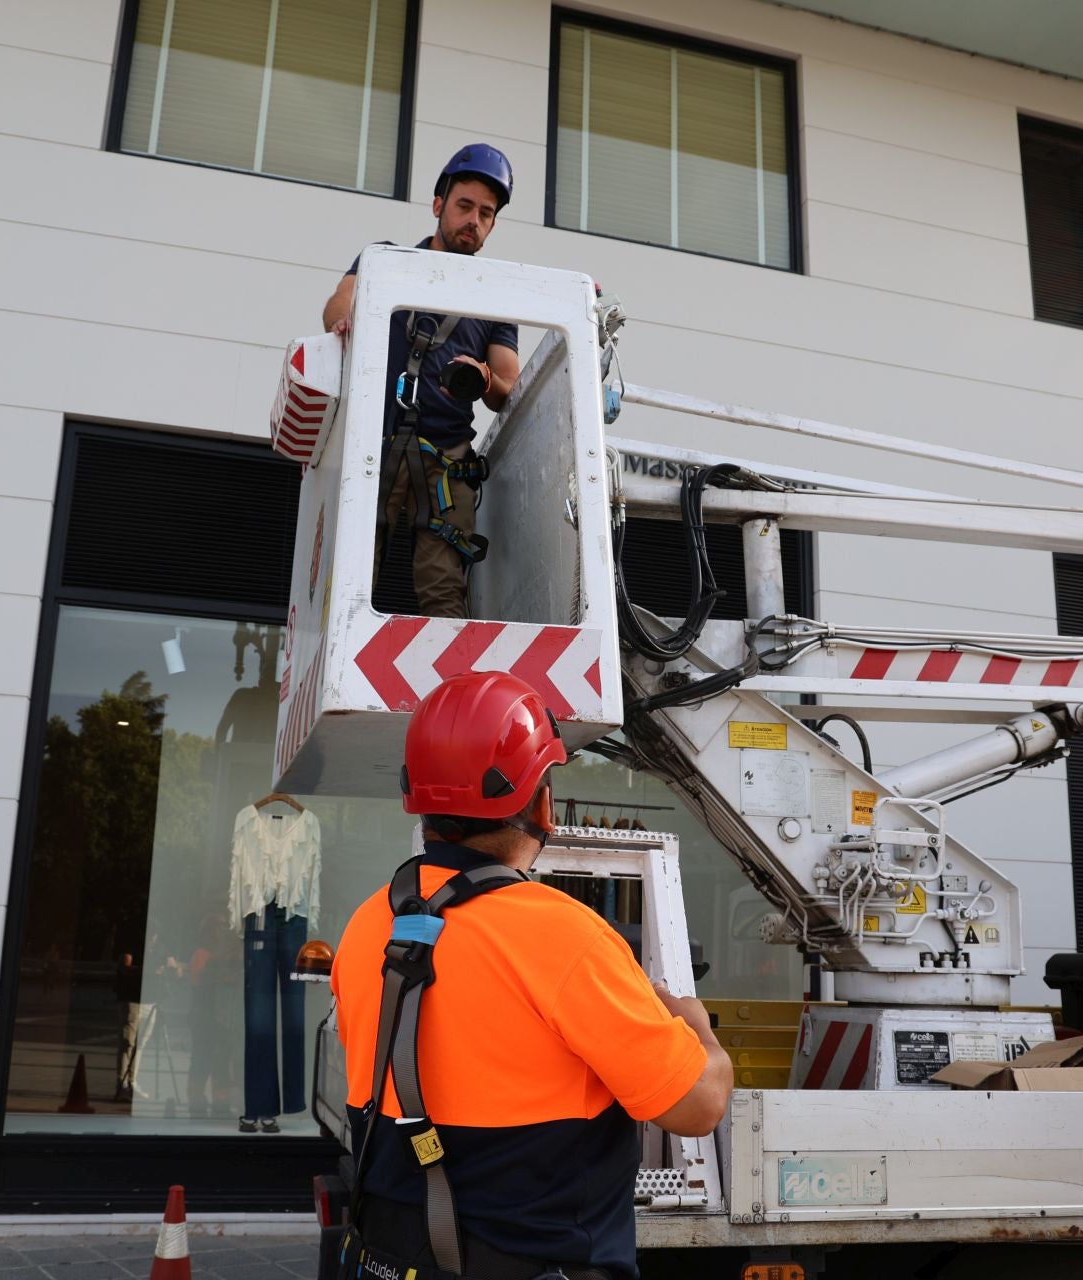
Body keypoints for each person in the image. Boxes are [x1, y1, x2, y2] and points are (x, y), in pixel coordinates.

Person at [328, 672, 733, 1279]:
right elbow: (696, 1108)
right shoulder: (567, 936)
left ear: (419, 794)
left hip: (392, 1253)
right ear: (542, 802)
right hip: (533, 1260)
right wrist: (699, 1031)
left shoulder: (369, 923)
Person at [321, 143, 525, 620]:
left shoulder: (496, 297)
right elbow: (340, 301)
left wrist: (485, 376)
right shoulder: (384, 261)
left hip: (446, 458)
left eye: (486, 213)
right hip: (377, 442)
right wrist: (343, 321)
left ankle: (452, 691)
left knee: (444, 591)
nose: (474, 220)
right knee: (351, 579)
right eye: (464, 206)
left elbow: (508, 388)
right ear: (438, 206)